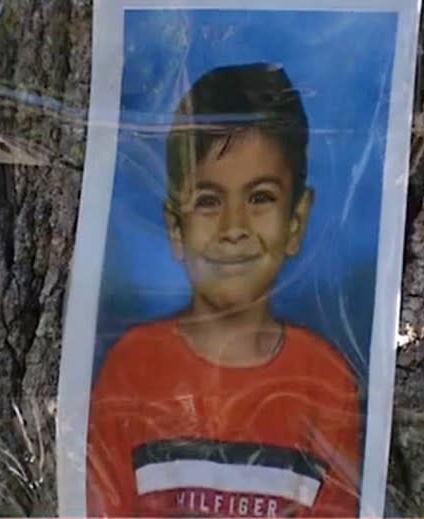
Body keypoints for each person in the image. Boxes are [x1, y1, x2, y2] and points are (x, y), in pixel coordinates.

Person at [86, 62, 361, 518]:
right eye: (208, 202)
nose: (234, 229)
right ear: (175, 226)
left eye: (260, 198)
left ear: (296, 220)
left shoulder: (326, 383)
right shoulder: (130, 370)